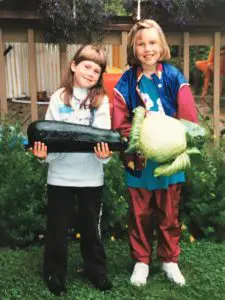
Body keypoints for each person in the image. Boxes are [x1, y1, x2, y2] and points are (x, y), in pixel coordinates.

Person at [112, 19, 198, 287]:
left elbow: (188, 119)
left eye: (152, 42)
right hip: (138, 160)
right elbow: (120, 122)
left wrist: (178, 142)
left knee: (169, 213)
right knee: (139, 214)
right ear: (133, 48)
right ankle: (141, 260)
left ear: (161, 45)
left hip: (169, 159)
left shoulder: (174, 77)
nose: (147, 49)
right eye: (141, 43)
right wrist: (136, 140)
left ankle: (169, 260)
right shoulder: (126, 82)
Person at [32, 45, 113, 296]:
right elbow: (49, 136)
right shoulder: (59, 98)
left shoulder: (101, 101)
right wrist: (45, 155)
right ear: (74, 65)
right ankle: (54, 273)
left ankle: (96, 271)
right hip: (60, 177)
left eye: (97, 70)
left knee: (92, 227)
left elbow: (103, 138)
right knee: (57, 227)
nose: (91, 73)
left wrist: (104, 156)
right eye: (87, 66)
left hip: (91, 178)